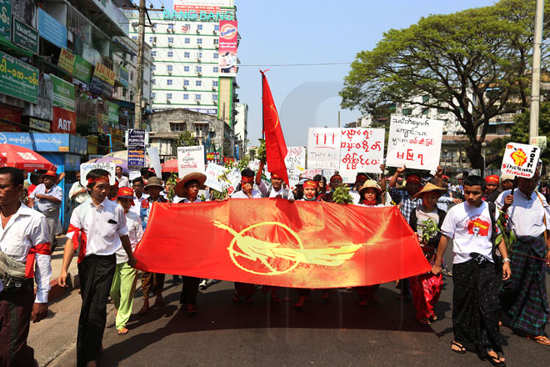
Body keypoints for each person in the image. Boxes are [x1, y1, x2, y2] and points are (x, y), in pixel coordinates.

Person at [58, 168, 136, 367]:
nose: (104, 191)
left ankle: (90, 356)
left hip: (107, 262)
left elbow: (124, 235)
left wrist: (131, 256)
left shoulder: (116, 209)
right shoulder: (80, 211)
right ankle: (94, 342)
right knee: (88, 307)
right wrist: (63, 269)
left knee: (98, 306)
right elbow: (71, 241)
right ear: (89, 187)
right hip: (86, 264)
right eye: (100, 187)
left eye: (107, 187)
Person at [432, 175, 511, 366]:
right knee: (463, 303)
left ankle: (490, 344)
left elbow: (498, 237)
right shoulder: (455, 212)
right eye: (467, 192)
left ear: (483, 193)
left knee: (489, 305)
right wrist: (438, 262)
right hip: (462, 263)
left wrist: (506, 260)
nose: (470, 196)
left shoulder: (492, 210)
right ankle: (460, 338)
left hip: (487, 264)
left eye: (475, 193)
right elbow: (445, 237)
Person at [0, 167, 51, 366]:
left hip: (18, 293)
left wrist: (42, 297)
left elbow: (43, 259)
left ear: (19, 189)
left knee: (9, 352)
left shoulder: (35, 220)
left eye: (2, 187)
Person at [497, 167, 550, 346]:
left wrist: (548, 249)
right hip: (515, 248)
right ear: (518, 179)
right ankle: (503, 314)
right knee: (511, 285)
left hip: (537, 248)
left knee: (537, 288)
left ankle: (534, 328)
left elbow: (546, 226)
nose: (530, 183)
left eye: (534, 180)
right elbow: (495, 222)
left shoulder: (541, 199)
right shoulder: (506, 195)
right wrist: (505, 205)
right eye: (527, 180)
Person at [409, 183, 447, 324]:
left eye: (434, 197)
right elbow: (410, 230)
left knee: (436, 285)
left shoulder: (441, 214)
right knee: (419, 287)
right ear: (422, 198)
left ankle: (429, 309)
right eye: (428, 197)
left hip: (433, 254)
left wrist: (431, 240)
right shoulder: (415, 212)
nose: (431, 200)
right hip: (417, 254)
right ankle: (424, 313)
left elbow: (443, 235)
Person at [110, 187, 143, 335]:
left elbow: (140, 238)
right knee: (113, 290)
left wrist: (136, 256)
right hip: (111, 259)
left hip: (129, 259)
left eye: (129, 200)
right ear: (118, 200)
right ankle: (119, 307)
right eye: (123, 200)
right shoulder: (109, 215)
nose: (126, 203)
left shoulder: (135, 217)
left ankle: (121, 321)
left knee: (127, 291)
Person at [174, 172, 207, 314]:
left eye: (196, 186)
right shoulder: (180, 205)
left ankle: (189, 301)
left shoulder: (203, 204)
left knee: (194, 275)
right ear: (186, 189)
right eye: (192, 186)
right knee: (187, 275)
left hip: (198, 245)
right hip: (184, 246)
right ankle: (187, 299)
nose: (195, 189)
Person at [231, 169, 262, 302]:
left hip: (254, 235)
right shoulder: (235, 196)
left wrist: (250, 195)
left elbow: (259, 212)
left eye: (249, 183)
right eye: (244, 182)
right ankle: (239, 291)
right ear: (241, 181)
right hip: (239, 234)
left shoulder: (258, 194)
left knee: (251, 265)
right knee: (239, 265)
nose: (247, 185)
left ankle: (249, 290)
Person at [138, 176, 167, 314]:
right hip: (147, 240)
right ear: (148, 190)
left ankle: (159, 295)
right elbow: (140, 220)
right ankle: (145, 300)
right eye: (151, 189)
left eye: (156, 188)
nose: (153, 191)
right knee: (146, 272)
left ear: (159, 190)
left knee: (160, 271)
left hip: (161, 241)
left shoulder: (165, 202)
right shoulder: (143, 203)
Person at [30, 170, 63, 252]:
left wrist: (45, 196)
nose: (45, 180)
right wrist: (32, 206)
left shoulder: (57, 189)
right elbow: (31, 197)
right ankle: (39, 251)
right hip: (39, 214)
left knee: (49, 235)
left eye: (48, 179)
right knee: (39, 234)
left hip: (51, 216)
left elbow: (59, 200)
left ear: (53, 180)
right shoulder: (39, 187)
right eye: (44, 178)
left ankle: (47, 252)